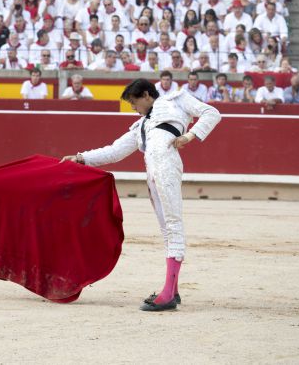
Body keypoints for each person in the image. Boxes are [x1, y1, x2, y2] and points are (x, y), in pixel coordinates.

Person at [62, 79, 222, 312]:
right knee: (167, 229)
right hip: (153, 175)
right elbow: (114, 151)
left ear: (147, 95)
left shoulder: (175, 100)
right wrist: (80, 158)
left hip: (167, 167)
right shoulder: (140, 126)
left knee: (173, 225)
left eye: (134, 103)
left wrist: (189, 136)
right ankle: (172, 290)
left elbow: (212, 112)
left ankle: (168, 293)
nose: (133, 108)